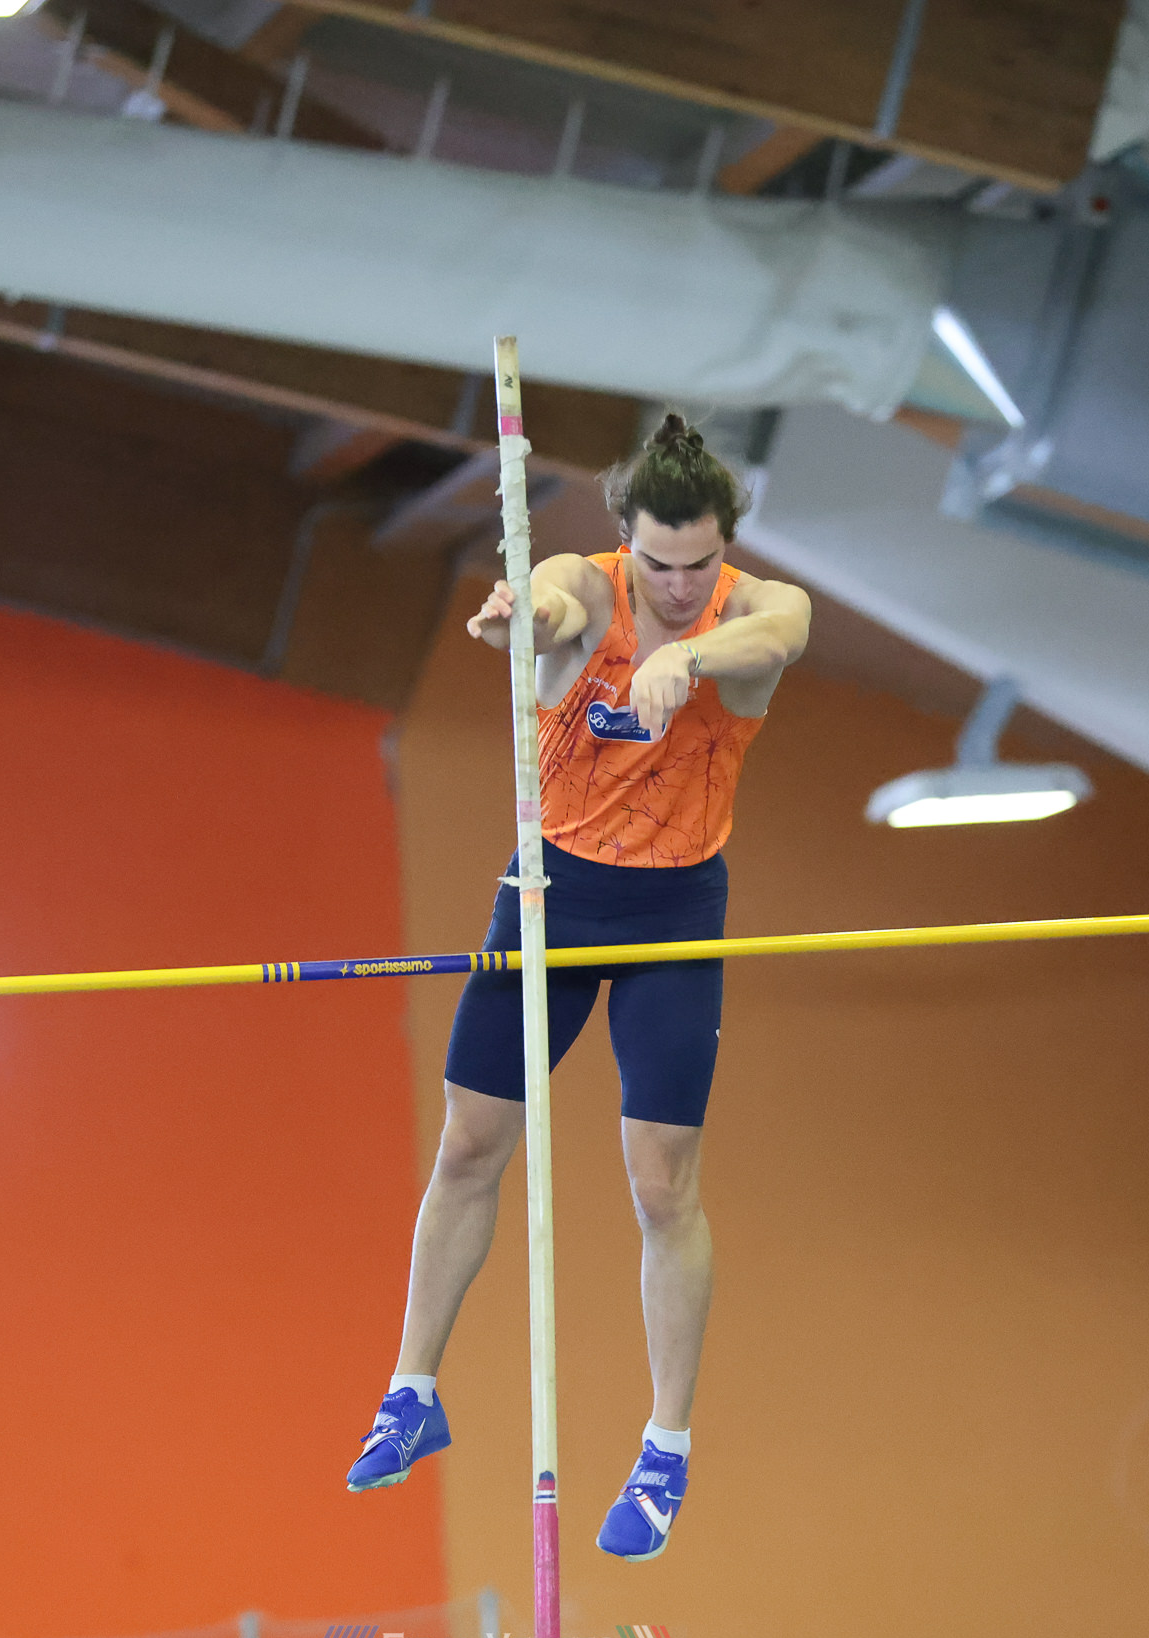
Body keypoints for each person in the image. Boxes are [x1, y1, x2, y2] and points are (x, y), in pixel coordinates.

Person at [344, 414, 811, 1562]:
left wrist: (688, 657)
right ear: (626, 540)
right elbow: (551, 600)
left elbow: (785, 630)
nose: (677, 585)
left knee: (661, 1186)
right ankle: (411, 1392)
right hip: (550, 897)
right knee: (468, 1144)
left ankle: (665, 1450)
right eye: (659, 563)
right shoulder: (590, 587)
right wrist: (525, 617)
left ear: (724, 547)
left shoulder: (750, 613)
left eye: (698, 564)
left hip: (673, 913)